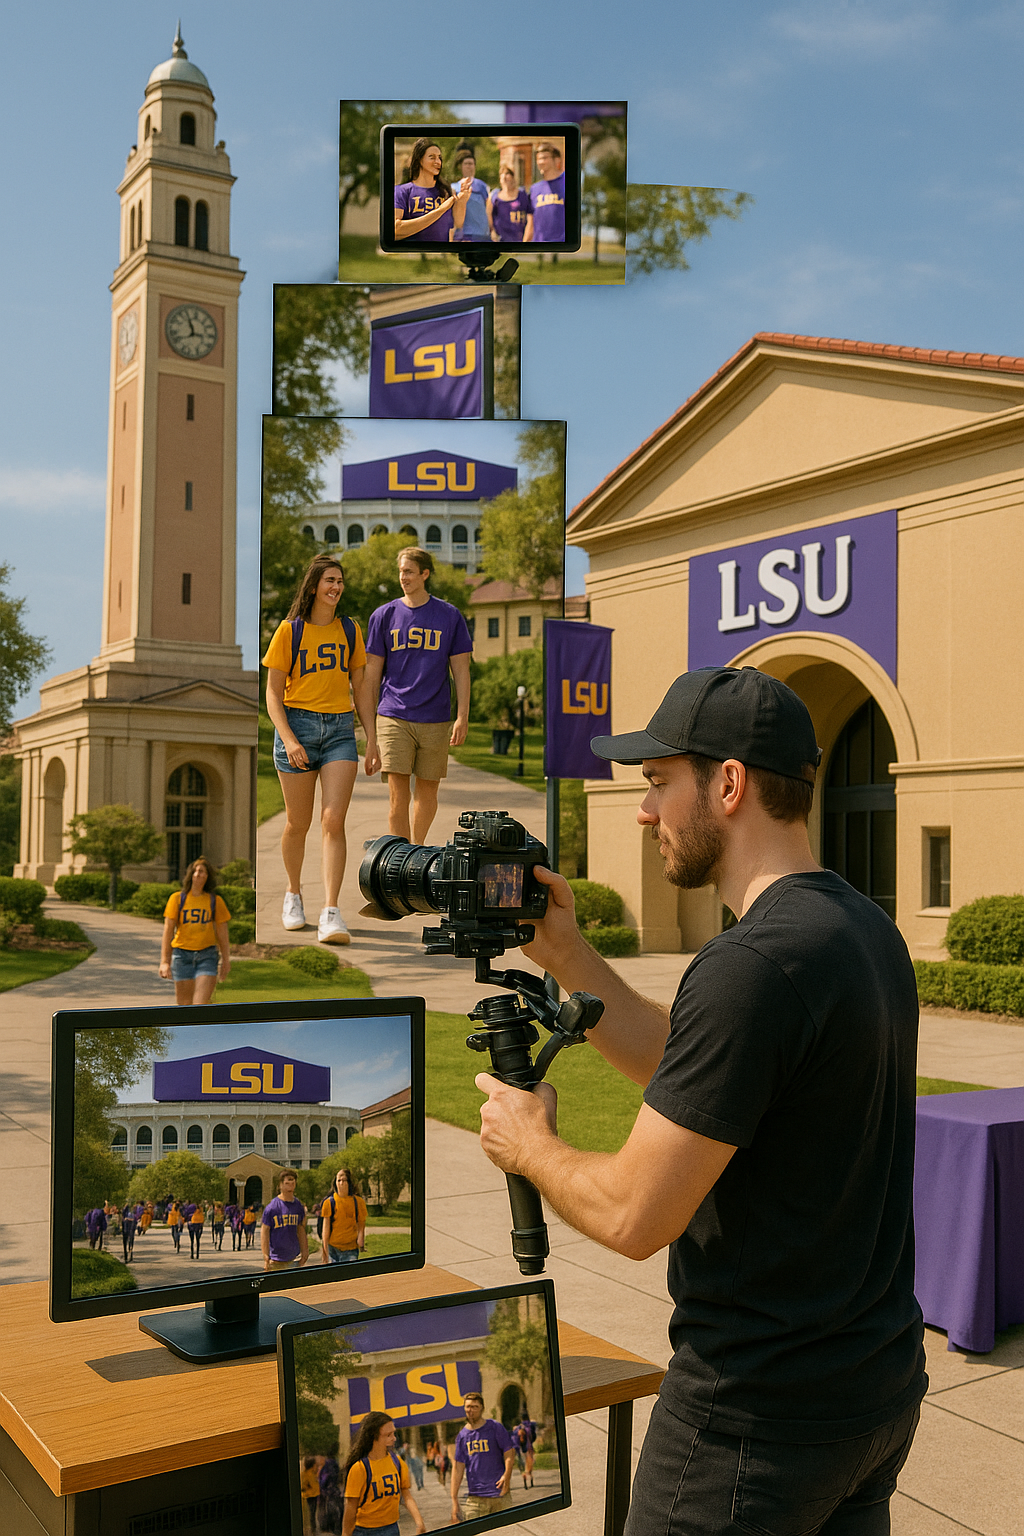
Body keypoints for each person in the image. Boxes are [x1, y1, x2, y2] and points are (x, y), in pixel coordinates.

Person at [474, 665, 927, 1536]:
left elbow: (637, 1215)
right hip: (870, 1396)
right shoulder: (860, 929)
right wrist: (568, 956)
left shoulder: (750, 965)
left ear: (728, 783)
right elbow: (699, 1077)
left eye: (656, 784)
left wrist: (531, 1145)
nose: (644, 811)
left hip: (753, 1424)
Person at [263, 553, 377, 946]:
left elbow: (361, 687)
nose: (336, 587)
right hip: (297, 726)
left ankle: (331, 911)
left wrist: (372, 737)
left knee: (333, 820)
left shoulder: (349, 630)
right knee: (299, 822)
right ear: (314, 587)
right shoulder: (289, 631)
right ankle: (293, 894)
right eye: (330, 580)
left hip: (340, 730)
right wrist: (291, 740)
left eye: (340, 581)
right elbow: (272, 695)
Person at [364, 547, 472, 845]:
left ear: (425, 574)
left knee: (427, 792)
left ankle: (417, 849)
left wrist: (462, 716)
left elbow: (461, 671)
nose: (403, 577)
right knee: (397, 796)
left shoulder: (449, 616)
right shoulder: (383, 616)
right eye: (401, 571)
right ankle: (402, 860)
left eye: (409, 571)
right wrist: (370, 727)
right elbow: (372, 675)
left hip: (435, 717)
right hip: (393, 714)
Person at [158, 856, 231, 1004]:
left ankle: (206, 1023)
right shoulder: (177, 899)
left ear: (207, 876)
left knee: (200, 1004)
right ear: (190, 875)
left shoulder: (215, 901)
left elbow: (222, 933)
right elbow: (168, 931)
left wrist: (226, 960)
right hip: (182, 955)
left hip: (207, 955)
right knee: (185, 1006)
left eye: (202, 871)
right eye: (196, 871)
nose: (198, 874)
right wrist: (164, 961)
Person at [340, 1410, 425, 1536]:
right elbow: (350, 1507)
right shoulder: (360, 1468)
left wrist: (419, 1522)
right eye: (388, 1435)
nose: (394, 1438)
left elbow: (406, 1495)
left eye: (394, 1433)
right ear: (373, 1436)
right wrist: (346, 1534)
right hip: (365, 1531)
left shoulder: (397, 1462)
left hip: (392, 1528)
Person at [450, 1392, 515, 1524]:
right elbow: (458, 1469)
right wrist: (454, 1499)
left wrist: (506, 1476)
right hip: (476, 1499)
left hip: (500, 1496)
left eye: (475, 1407)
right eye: (468, 1407)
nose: (471, 1410)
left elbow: (509, 1453)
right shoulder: (462, 1436)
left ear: (482, 1408)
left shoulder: (495, 1427)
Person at [393, 137, 472, 244]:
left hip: (440, 255)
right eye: (432, 157)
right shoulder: (401, 191)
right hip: (412, 256)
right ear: (420, 160)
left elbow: (458, 223)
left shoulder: (446, 191)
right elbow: (395, 230)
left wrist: (462, 201)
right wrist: (440, 210)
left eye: (439, 158)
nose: (438, 162)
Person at [260, 1171, 309, 1272]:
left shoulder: (298, 1206)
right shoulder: (272, 1208)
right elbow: (265, 1231)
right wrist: (266, 1256)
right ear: (280, 1185)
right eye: (287, 1183)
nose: (290, 1185)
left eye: (293, 1182)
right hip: (275, 1260)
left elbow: (300, 1229)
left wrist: (305, 1252)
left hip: (293, 1258)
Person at [319, 1167, 367, 1265]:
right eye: (338, 1180)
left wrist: (361, 1238)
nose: (341, 1183)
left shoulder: (358, 1202)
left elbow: (361, 1222)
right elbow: (326, 1228)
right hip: (334, 1248)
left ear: (349, 1183)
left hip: (351, 1248)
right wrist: (324, 1250)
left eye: (344, 1180)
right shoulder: (329, 1202)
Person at [525, 141, 565, 244]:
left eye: (545, 158)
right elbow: (531, 222)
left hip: (561, 248)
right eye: (538, 159)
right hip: (538, 246)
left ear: (557, 160)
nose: (540, 162)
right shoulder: (534, 189)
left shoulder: (567, 183)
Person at [450, 145, 490, 242]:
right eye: (466, 164)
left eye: (471, 164)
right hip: (464, 234)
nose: (469, 166)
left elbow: (488, 208)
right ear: (461, 167)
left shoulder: (482, 186)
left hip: (482, 234)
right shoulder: (454, 187)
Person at [488, 162, 533, 243]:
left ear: (513, 178)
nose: (505, 177)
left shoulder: (523, 195)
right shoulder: (495, 198)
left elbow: (530, 218)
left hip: (521, 239)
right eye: (502, 175)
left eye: (507, 174)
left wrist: (525, 241)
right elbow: (489, 218)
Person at [514, 1415, 536, 1489]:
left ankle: (527, 1482)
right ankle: (528, 1482)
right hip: (526, 1450)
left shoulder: (517, 1429)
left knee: (524, 1467)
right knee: (526, 1466)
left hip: (523, 1450)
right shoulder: (528, 1428)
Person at [300, 1454, 319, 1534]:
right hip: (310, 1496)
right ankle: (312, 1530)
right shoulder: (309, 1474)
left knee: (312, 1515)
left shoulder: (305, 1473)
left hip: (310, 1496)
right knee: (311, 1515)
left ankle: (312, 1529)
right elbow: (314, 1487)